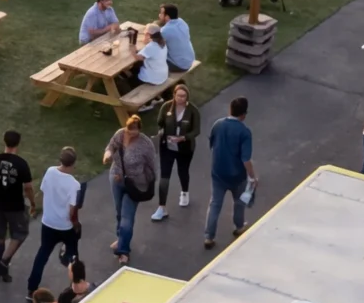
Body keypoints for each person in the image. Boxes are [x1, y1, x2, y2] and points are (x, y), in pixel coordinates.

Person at [25, 146, 83, 292]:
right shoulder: (74, 184)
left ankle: (32, 288)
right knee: (73, 256)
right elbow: (72, 211)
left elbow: (43, 192)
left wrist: (35, 207)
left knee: (42, 254)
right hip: (65, 226)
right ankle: (76, 286)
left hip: (48, 223)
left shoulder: (50, 172)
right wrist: (76, 224)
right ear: (74, 163)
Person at [0, 130, 35, 283]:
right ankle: (3, 263)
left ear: (4, 141)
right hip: (15, 206)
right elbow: (28, 187)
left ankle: (0, 268)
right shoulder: (21, 164)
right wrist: (33, 203)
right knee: (20, 234)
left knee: (0, 236)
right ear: (18, 144)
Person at [206, 96, 256, 248]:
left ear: (230, 109)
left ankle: (209, 236)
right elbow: (245, 159)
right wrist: (252, 177)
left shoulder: (218, 124)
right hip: (237, 176)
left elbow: (212, 143)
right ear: (244, 114)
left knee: (215, 204)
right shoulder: (245, 132)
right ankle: (239, 227)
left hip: (218, 173)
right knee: (239, 202)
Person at [104, 121, 158, 262]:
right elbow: (111, 146)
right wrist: (108, 155)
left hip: (135, 184)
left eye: (134, 133)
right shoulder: (120, 134)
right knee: (119, 213)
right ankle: (121, 239)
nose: (130, 135)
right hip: (116, 179)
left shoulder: (145, 144)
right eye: (129, 132)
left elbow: (152, 166)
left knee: (126, 218)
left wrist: (146, 183)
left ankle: (124, 251)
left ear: (140, 130)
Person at [152, 84, 199, 219]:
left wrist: (183, 138)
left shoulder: (193, 111)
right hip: (167, 146)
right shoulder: (166, 107)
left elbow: (197, 130)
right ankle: (162, 207)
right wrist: (161, 132)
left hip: (185, 148)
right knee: (164, 175)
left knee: (182, 171)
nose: (180, 98)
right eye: (178, 95)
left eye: (183, 96)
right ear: (174, 95)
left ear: (187, 97)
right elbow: (160, 122)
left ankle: (184, 192)